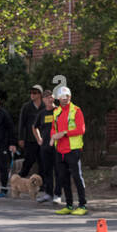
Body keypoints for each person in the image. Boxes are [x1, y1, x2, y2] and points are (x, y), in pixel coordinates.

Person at [51, 84, 88, 215]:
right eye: (62, 96)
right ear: (58, 99)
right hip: (60, 150)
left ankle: (82, 205)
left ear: (70, 97)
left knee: (77, 177)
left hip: (73, 149)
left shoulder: (76, 110)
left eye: (67, 96)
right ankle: (69, 205)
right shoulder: (56, 112)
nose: (65, 98)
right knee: (63, 178)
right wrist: (53, 136)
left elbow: (81, 129)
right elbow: (53, 128)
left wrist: (64, 133)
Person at [36, 89, 57, 202]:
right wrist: (39, 138)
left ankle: (58, 194)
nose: (50, 99)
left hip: (58, 146)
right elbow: (34, 127)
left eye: (51, 97)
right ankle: (48, 193)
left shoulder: (58, 111)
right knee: (47, 171)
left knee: (58, 170)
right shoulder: (42, 113)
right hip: (45, 147)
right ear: (43, 100)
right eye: (47, 97)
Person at [18, 85, 42, 177]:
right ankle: (20, 179)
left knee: (43, 162)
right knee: (28, 161)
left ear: (40, 94)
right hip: (30, 139)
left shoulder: (45, 106)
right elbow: (22, 123)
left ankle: (43, 183)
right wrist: (21, 138)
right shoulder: (26, 107)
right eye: (31, 93)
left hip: (43, 140)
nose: (32, 95)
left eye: (34, 93)